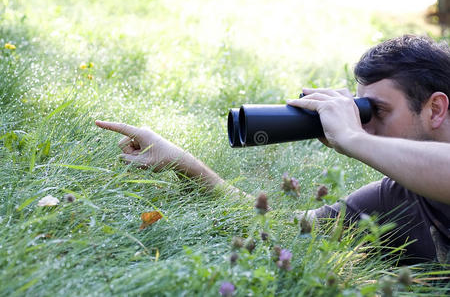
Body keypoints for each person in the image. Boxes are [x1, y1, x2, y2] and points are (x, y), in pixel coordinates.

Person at [96, 35, 450, 264]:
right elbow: (287, 229)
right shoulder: (395, 198)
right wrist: (182, 162)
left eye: (378, 111)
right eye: (361, 111)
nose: (364, 125)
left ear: (435, 109)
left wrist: (354, 139)